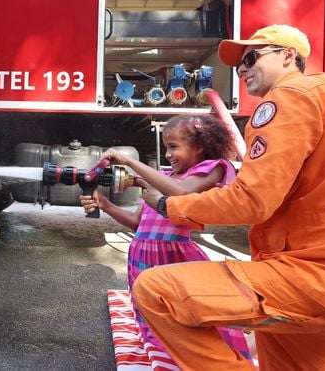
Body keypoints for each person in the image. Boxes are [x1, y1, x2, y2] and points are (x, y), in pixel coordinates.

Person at [129, 24, 325, 370]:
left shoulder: (291, 96)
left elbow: (252, 200)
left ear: (288, 56)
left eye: (251, 57)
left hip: (314, 275)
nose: (242, 69)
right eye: (238, 64)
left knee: (156, 292)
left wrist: (167, 205)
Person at [80, 115, 253, 363]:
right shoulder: (163, 175)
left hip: (174, 257)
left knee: (192, 320)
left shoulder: (212, 169)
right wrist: (105, 205)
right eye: (166, 147)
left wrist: (130, 161)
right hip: (141, 257)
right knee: (158, 324)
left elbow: (181, 192)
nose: (169, 154)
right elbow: (138, 224)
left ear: (199, 146)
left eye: (174, 146)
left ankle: (248, 349)